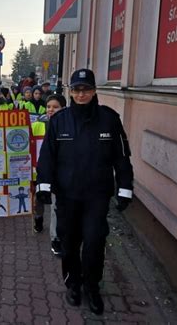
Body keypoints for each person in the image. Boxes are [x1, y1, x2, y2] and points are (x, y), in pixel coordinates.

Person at [36, 68, 133, 315]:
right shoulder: (59, 120)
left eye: (86, 89)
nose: (81, 94)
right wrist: (44, 186)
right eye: (77, 90)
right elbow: (47, 156)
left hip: (96, 196)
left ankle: (92, 287)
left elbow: (121, 157)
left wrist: (125, 188)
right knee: (69, 244)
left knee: (94, 243)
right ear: (71, 92)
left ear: (94, 91)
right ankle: (73, 285)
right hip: (67, 196)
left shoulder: (109, 119)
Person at [32, 94, 67, 258]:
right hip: (39, 171)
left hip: (59, 173)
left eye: (56, 107)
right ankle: (38, 218)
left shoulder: (68, 126)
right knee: (38, 200)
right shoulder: (38, 124)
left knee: (56, 206)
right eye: (49, 107)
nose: (51, 110)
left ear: (63, 108)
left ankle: (56, 239)